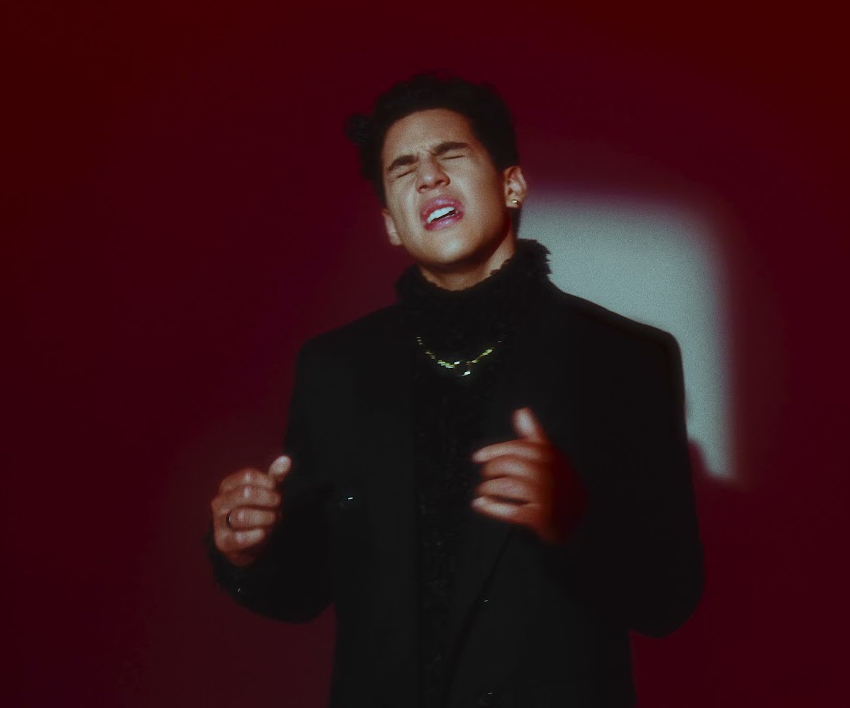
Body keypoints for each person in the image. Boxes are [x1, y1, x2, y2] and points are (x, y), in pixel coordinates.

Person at [207, 73, 703, 708]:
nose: (428, 177)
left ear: (512, 184)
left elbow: (668, 601)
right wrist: (247, 549)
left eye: (450, 154)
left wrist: (573, 520)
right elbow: (304, 592)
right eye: (403, 168)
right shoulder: (336, 370)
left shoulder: (624, 359)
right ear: (391, 224)